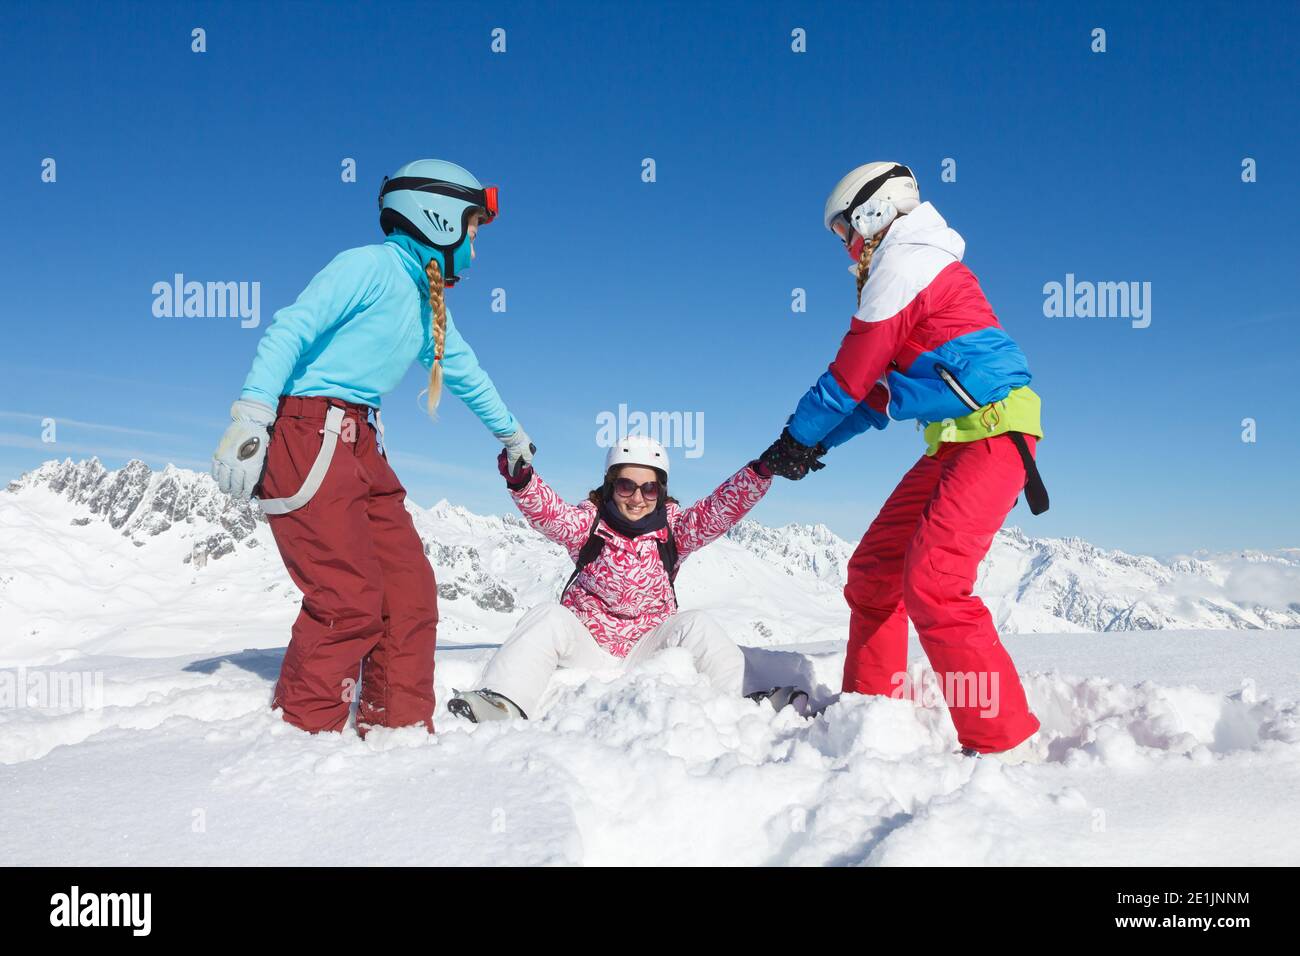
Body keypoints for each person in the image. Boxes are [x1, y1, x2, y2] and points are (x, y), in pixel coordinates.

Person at [210, 159, 533, 737]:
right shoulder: (368, 267)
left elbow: (468, 374)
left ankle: (399, 734)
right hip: (310, 432)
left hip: (362, 443)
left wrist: (511, 435)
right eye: (473, 229)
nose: (476, 250)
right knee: (347, 597)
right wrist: (254, 412)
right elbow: (291, 328)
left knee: (410, 594)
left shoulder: (428, 303)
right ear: (437, 218)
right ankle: (302, 738)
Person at [757, 162, 1048, 764]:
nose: (846, 247)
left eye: (845, 232)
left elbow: (850, 375)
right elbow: (875, 398)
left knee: (936, 581)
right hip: (953, 441)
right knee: (873, 573)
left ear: (874, 212)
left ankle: (1002, 742)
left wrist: (795, 435)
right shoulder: (902, 269)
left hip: (996, 434)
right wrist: (812, 445)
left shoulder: (906, 261)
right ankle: (872, 713)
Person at [449, 437, 807, 722]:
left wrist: (761, 471)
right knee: (547, 616)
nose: (637, 498)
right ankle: (502, 702)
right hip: (587, 645)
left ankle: (742, 704)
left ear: (661, 491)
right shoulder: (588, 525)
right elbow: (551, 515)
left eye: (649, 489)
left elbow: (718, 510)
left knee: (698, 623)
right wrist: (522, 480)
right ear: (610, 486)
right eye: (625, 486)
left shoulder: (674, 532)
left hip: (647, 648)